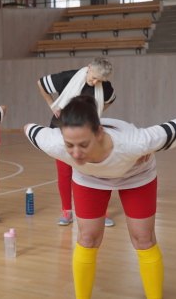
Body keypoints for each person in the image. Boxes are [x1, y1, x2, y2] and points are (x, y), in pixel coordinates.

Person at [24, 95, 176, 299]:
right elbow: (29, 127)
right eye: (70, 145)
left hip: (136, 174)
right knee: (87, 238)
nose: (76, 153)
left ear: (99, 133)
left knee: (143, 238)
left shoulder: (134, 143)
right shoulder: (55, 144)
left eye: (83, 145)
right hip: (89, 177)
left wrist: (151, 148)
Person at [37, 57, 117, 226]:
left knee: (94, 172)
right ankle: (67, 211)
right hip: (62, 130)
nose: (95, 82)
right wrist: (52, 103)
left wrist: (95, 111)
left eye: (99, 80)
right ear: (89, 67)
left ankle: (100, 212)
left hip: (89, 133)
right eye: (93, 77)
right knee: (65, 172)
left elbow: (110, 100)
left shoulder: (105, 87)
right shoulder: (68, 77)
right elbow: (41, 83)